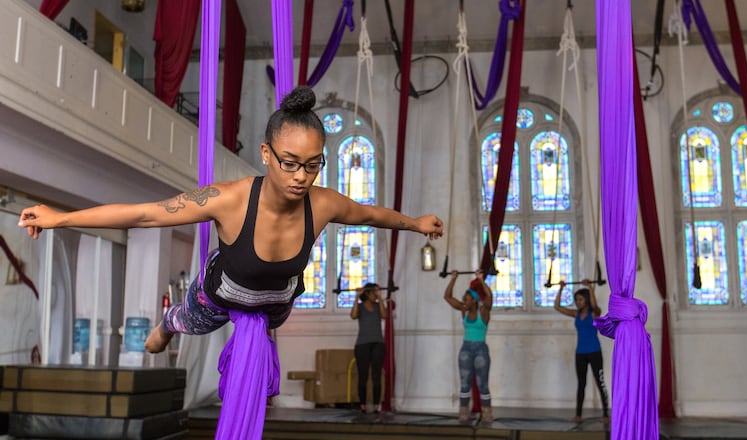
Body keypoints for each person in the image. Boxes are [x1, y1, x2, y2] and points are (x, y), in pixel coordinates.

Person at [17, 86, 444, 436]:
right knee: (188, 319)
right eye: (290, 163)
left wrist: (417, 223)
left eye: (313, 166)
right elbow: (146, 213)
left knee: (271, 316)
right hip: (220, 296)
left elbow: (372, 215)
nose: (301, 176)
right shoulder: (230, 199)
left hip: (276, 302)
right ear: (266, 153)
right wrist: (62, 217)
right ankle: (166, 328)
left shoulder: (325, 204)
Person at [554, 279, 609, 423]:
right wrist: (561, 289)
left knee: (600, 383)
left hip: (594, 352)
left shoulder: (595, 313)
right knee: (581, 384)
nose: (578, 302)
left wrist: (590, 288)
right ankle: (578, 415)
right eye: (576, 300)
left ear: (586, 300)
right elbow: (557, 307)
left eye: (580, 299)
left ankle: (606, 414)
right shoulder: (576, 314)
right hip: (580, 353)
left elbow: (596, 306)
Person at [444, 269, 494, 423]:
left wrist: (480, 279)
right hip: (466, 349)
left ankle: (486, 413)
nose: (464, 301)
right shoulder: (464, 310)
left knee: (482, 384)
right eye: (463, 299)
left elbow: (490, 297)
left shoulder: (483, 312)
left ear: (474, 300)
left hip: (480, 350)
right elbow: (447, 297)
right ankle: (463, 412)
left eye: (466, 299)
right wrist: (453, 278)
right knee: (465, 383)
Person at [350, 282, 386, 414]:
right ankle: (363, 405)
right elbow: (353, 315)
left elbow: (384, 315)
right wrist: (356, 297)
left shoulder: (378, 306)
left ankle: (376, 404)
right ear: (367, 293)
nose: (375, 295)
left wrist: (381, 298)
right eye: (373, 293)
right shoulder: (360, 307)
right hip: (362, 345)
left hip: (378, 344)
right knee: (363, 376)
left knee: (376, 375)